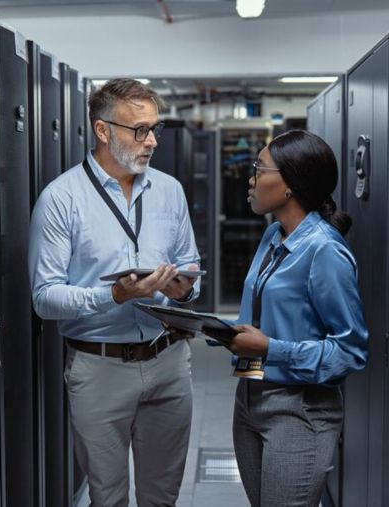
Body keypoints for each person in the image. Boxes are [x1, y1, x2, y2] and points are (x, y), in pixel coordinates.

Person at [28, 78, 201, 506]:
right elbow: (44, 297)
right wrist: (113, 296)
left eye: (154, 128)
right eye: (138, 130)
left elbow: (191, 268)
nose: (152, 141)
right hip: (99, 368)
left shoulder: (170, 191)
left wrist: (183, 292)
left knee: (162, 496)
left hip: (169, 362)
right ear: (103, 130)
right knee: (108, 497)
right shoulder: (61, 199)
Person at [207, 130, 368, 506]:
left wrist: (270, 349)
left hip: (298, 410)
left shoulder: (324, 250)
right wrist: (228, 334)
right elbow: (267, 316)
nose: (250, 179)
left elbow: (351, 351)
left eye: (258, 169)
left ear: (290, 184)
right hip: (249, 397)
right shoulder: (273, 236)